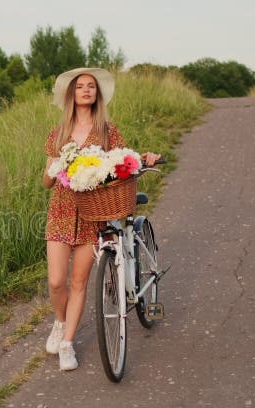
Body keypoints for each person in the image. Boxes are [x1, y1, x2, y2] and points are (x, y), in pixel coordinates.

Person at [42, 68, 160, 371]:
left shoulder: (108, 130)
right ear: (72, 94)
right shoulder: (58, 133)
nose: (85, 90)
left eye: (90, 86)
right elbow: (45, 182)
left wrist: (144, 157)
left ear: (97, 94)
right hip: (62, 211)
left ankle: (67, 344)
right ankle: (60, 321)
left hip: (93, 213)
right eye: (80, 86)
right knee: (57, 282)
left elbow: (124, 160)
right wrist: (54, 167)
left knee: (79, 282)